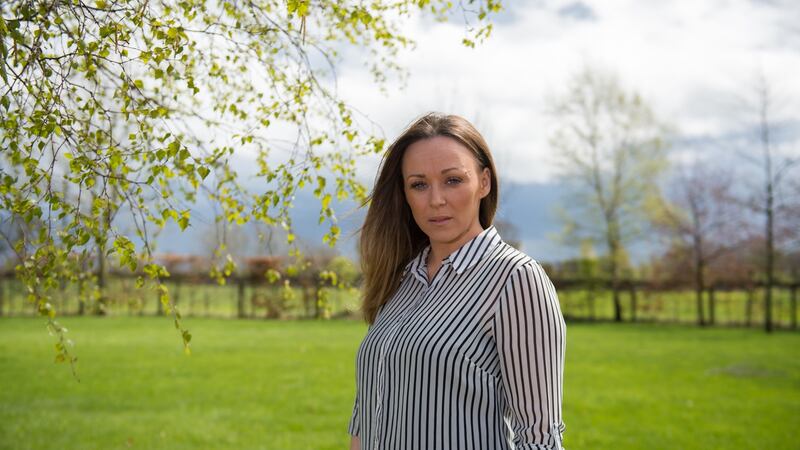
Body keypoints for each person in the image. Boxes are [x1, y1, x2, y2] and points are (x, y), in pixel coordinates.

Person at [348, 112, 566, 450]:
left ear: (484, 182)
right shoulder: (402, 280)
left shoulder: (515, 279)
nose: (436, 199)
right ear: (405, 195)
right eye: (419, 184)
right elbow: (366, 414)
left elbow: (538, 438)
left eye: (452, 180)